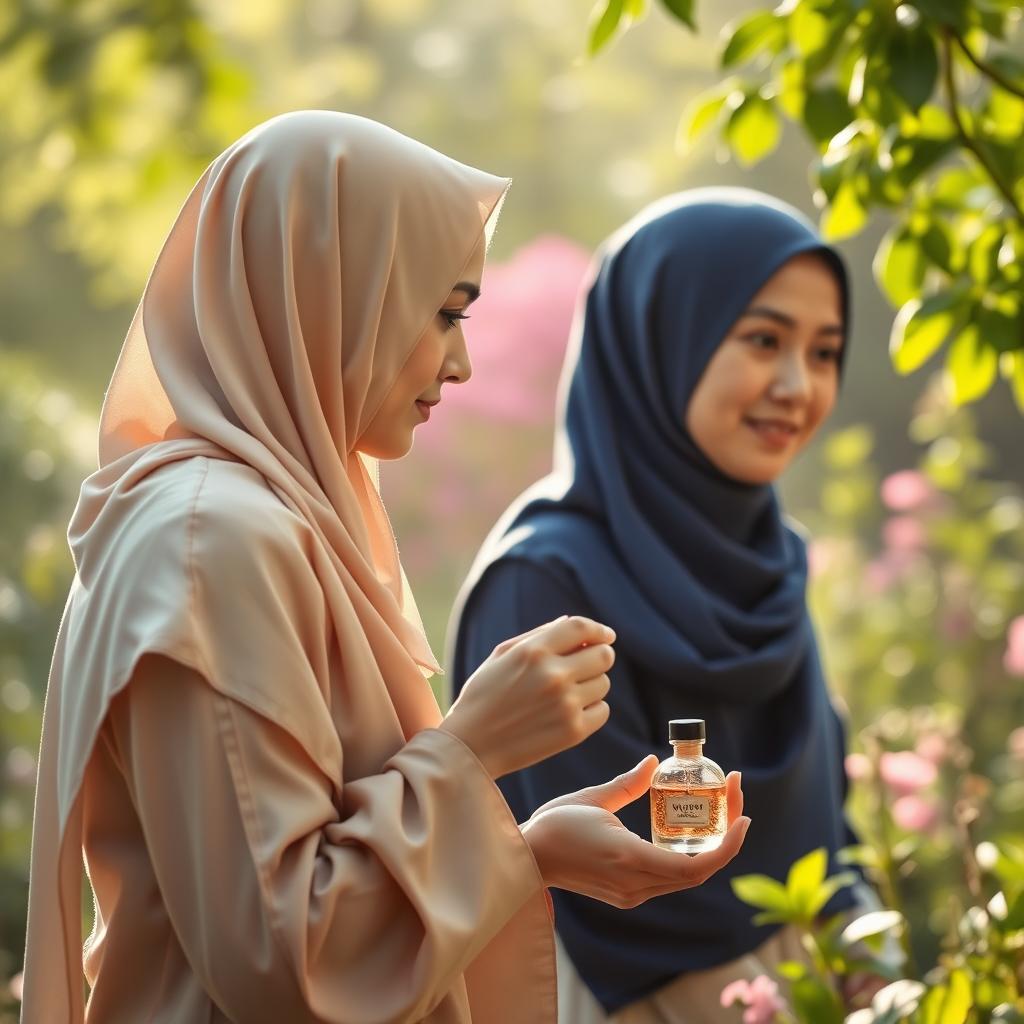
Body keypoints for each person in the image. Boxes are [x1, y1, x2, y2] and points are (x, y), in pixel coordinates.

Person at [20, 113, 750, 1024]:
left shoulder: (255, 519)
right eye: (444, 312)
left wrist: (527, 851)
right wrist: (476, 746)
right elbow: (285, 957)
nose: (463, 361)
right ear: (332, 293)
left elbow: (297, 880)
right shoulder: (214, 540)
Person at [450, 188, 883, 1023]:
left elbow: (828, 828)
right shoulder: (544, 583)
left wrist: (880, 967)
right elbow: (614, 902)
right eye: (763, 339)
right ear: (660, 341)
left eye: (825, 351)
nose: (798, 385)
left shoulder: (769, 565)